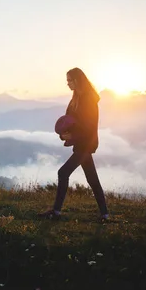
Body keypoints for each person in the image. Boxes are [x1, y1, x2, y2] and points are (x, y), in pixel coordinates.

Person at [38, 67, 110, 221]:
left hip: (85, 144)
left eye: (70, 80)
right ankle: (105, 214)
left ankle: (56, 211)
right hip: (81, 144)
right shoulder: (76, 98)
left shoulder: (88, 99)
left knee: (63, 173)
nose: (68, 84)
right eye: (67, 81)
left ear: (78, 80)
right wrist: (64, 135)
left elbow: (89, 126)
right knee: (92, 180)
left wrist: (73, 134)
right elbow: (68, 120)